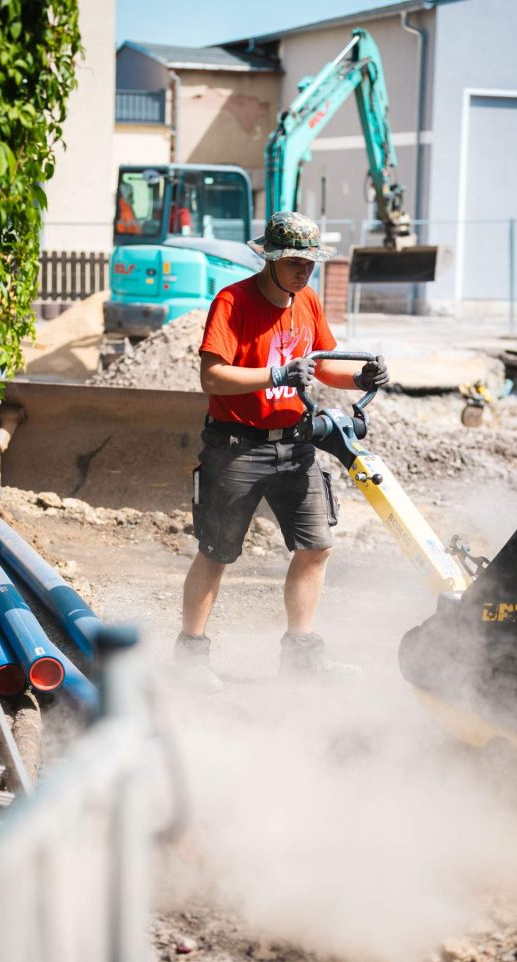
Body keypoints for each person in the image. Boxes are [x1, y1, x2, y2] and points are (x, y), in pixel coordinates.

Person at [174, 210, 390, 689]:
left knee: (317, 547)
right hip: (235, 449)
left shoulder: (308, 301)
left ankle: (302, 657)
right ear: (269, 258)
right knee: (216, 552)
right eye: (294, 260)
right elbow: (212, 376)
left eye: (310, 261)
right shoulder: (232, 302)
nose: (304, 270)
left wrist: (359, 378)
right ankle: (190, 657)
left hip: (295, 446)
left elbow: (323, 366)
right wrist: (276, 375)